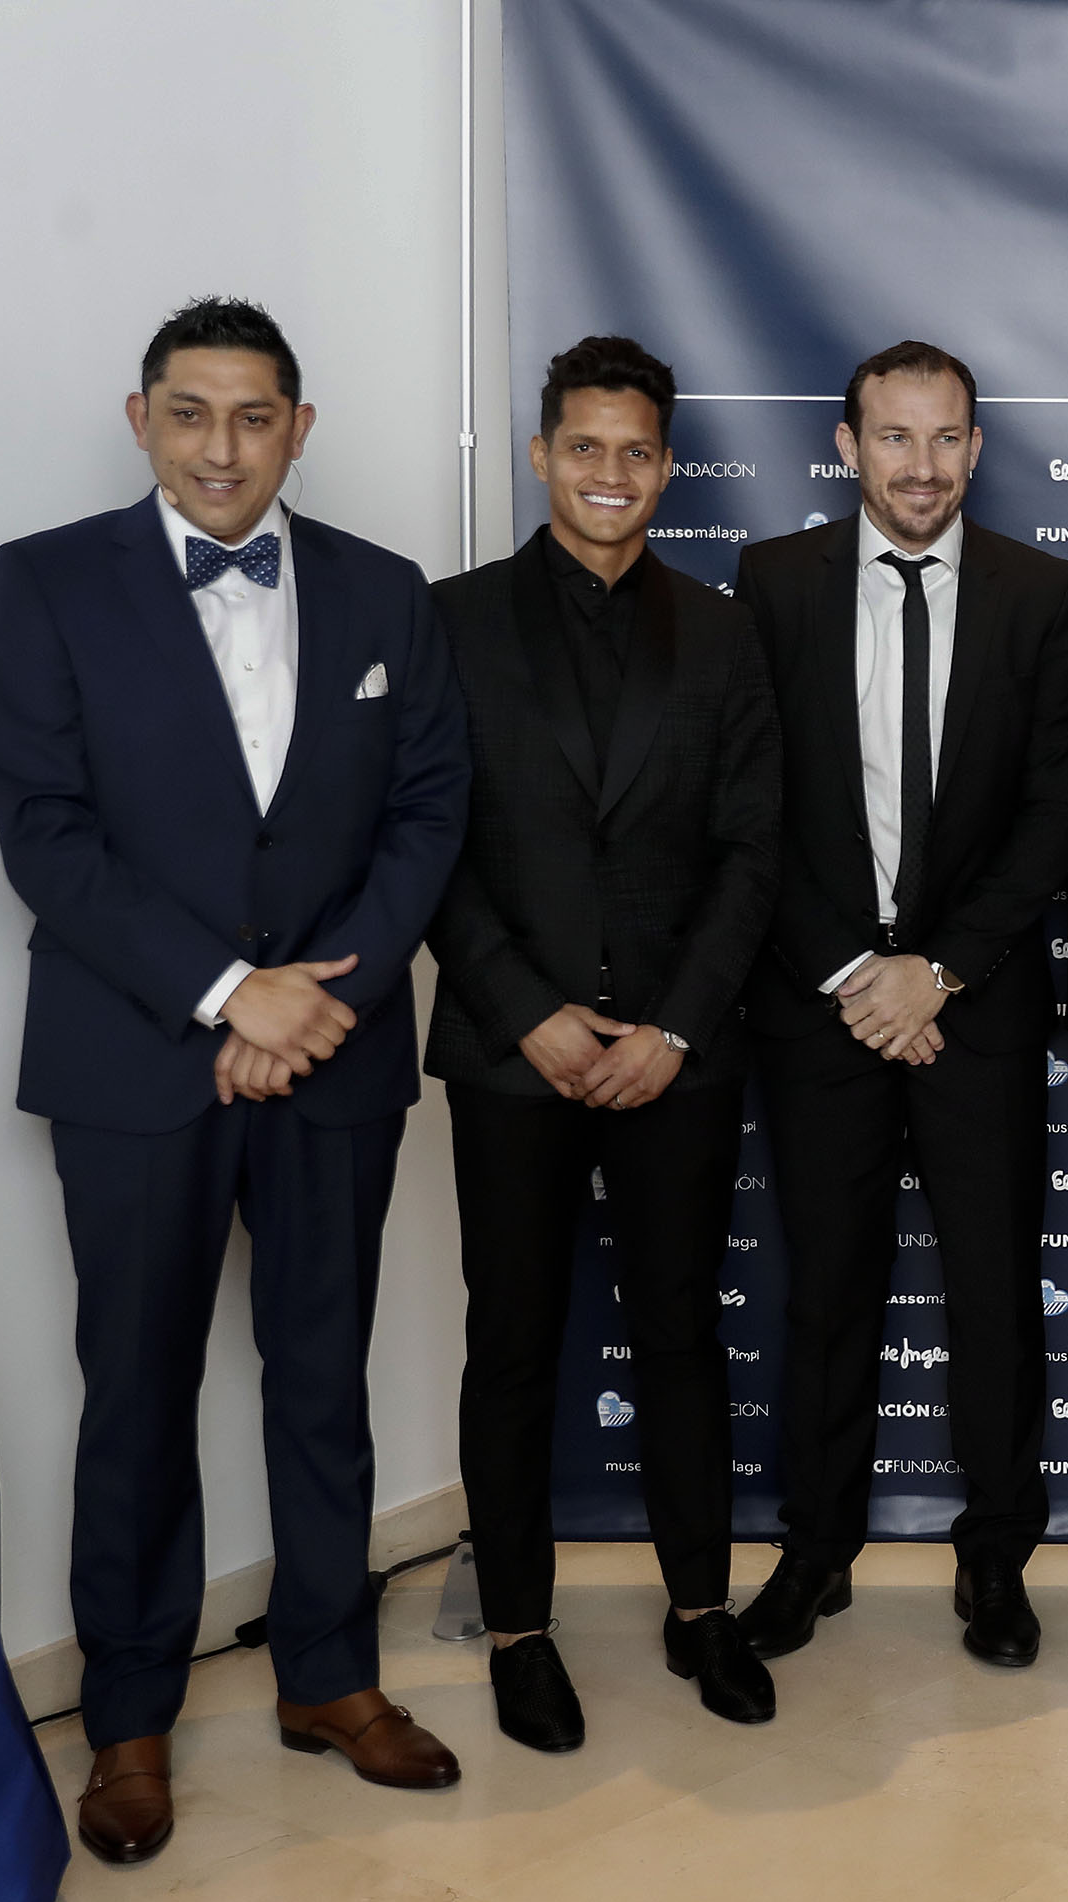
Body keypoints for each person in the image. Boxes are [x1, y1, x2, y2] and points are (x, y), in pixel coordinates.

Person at [0, 298, 472, 1864]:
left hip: (332, 1056)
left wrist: (317, 1000)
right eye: (190, 413)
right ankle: (128, 1718)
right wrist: (225, 992)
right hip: (137, 1060)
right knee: (135, 1394)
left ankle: (329, 1675)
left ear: (298, 431)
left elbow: (430, 812)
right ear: (142, 421)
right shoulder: (46, 580)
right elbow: (43, 828)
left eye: (255, 416)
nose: (221, 447)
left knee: (323, 1381)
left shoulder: (387, 590)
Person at [426, 335, 782, 1735]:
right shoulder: (449, 620)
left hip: (672, 1061)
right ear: (541, 456)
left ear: (668, 467)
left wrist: (673, 1029)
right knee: (512, 1344)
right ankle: (519, 1627)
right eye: (585, 446)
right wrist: (529, 1013)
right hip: (510, 1051)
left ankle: (702, 1611)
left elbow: (754, 851)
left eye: (637, 451)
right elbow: (429, 844)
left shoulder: (724, 630)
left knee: (681, 1335)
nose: (611, 473)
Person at [732, 341, 1068, 1669]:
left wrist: (936, 971)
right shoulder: (773, 584)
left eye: (946, 439)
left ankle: (996, 1557)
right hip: (819, 1003)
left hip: (973, 1006)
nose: (922, 466)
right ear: (847, 447)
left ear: (977, 448)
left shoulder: (1038, 593)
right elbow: (753, 802)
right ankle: (815, 1551)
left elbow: (1056, 810)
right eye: (895, 437)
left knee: (994, 1293)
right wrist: (853, 971)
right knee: (826, 1291)